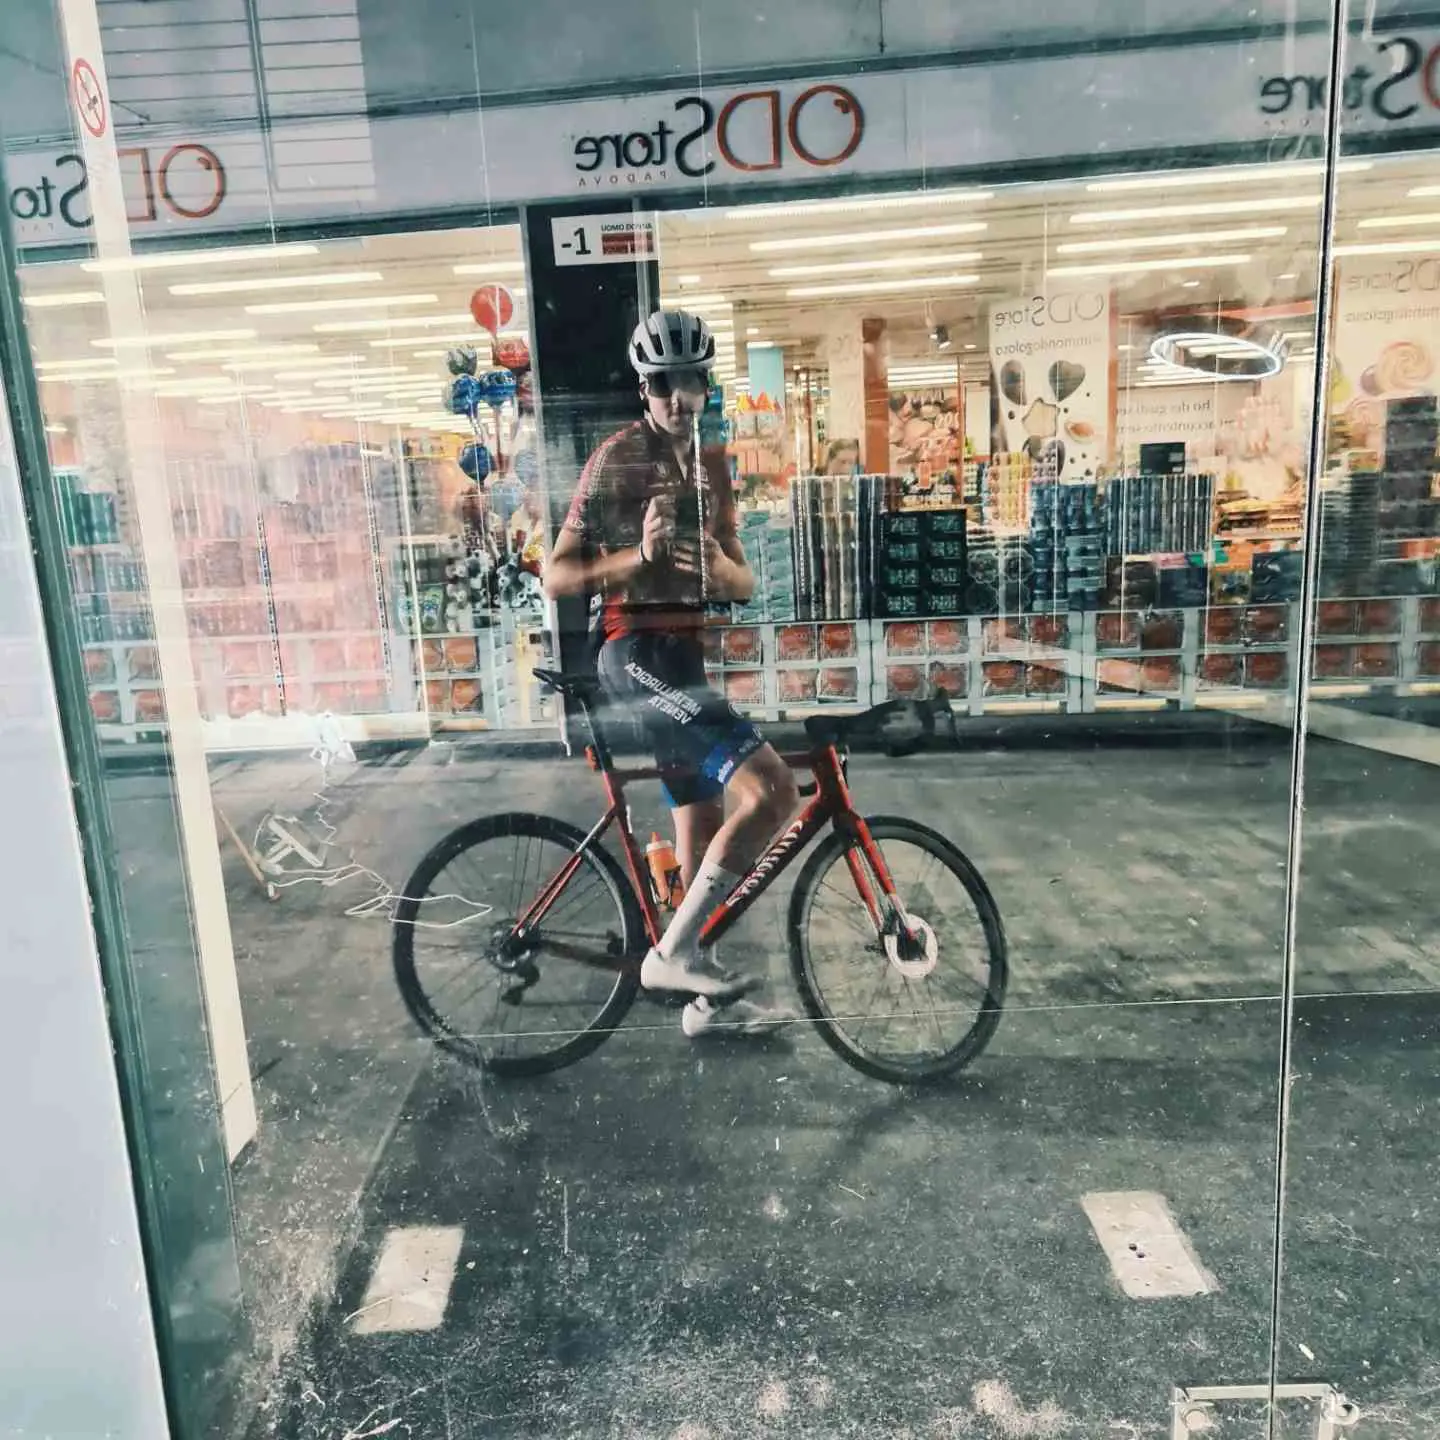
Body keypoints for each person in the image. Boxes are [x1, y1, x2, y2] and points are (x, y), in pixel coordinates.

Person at [543, 309, 799, 1035]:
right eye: (662, 384)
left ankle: (703, 1004)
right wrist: (639, 559)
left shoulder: (712, 467)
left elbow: (744, 581)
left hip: (682, 660)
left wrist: (718, 565)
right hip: (636, 655)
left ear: (706, 385)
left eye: (690, 382)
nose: (678, 399)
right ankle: (672, 956)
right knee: (774, 791)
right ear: (643, 390)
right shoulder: (618, 458)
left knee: (705, 828)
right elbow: (556, 577)